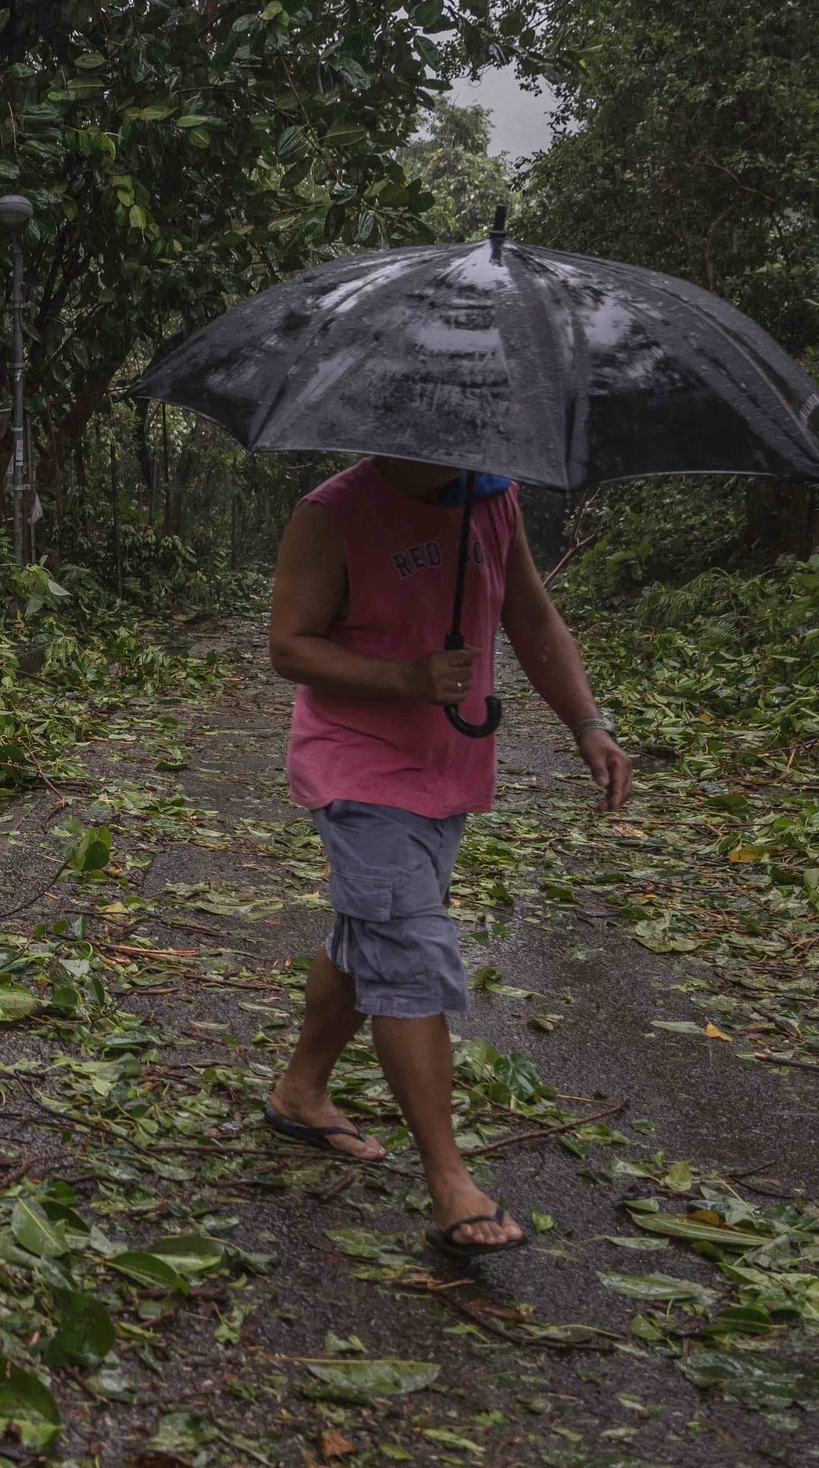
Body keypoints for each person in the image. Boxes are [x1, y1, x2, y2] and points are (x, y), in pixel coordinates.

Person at [260, 456, 633, 1257]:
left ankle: (301, 1091)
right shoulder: (331, 513)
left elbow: (532, 620)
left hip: (446, 770)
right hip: (357, 765)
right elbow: (289, 647)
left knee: (373, 928)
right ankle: (449, 1180)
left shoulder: (494, 499)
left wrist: (588, 723)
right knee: (408, 949)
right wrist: (403, 676)